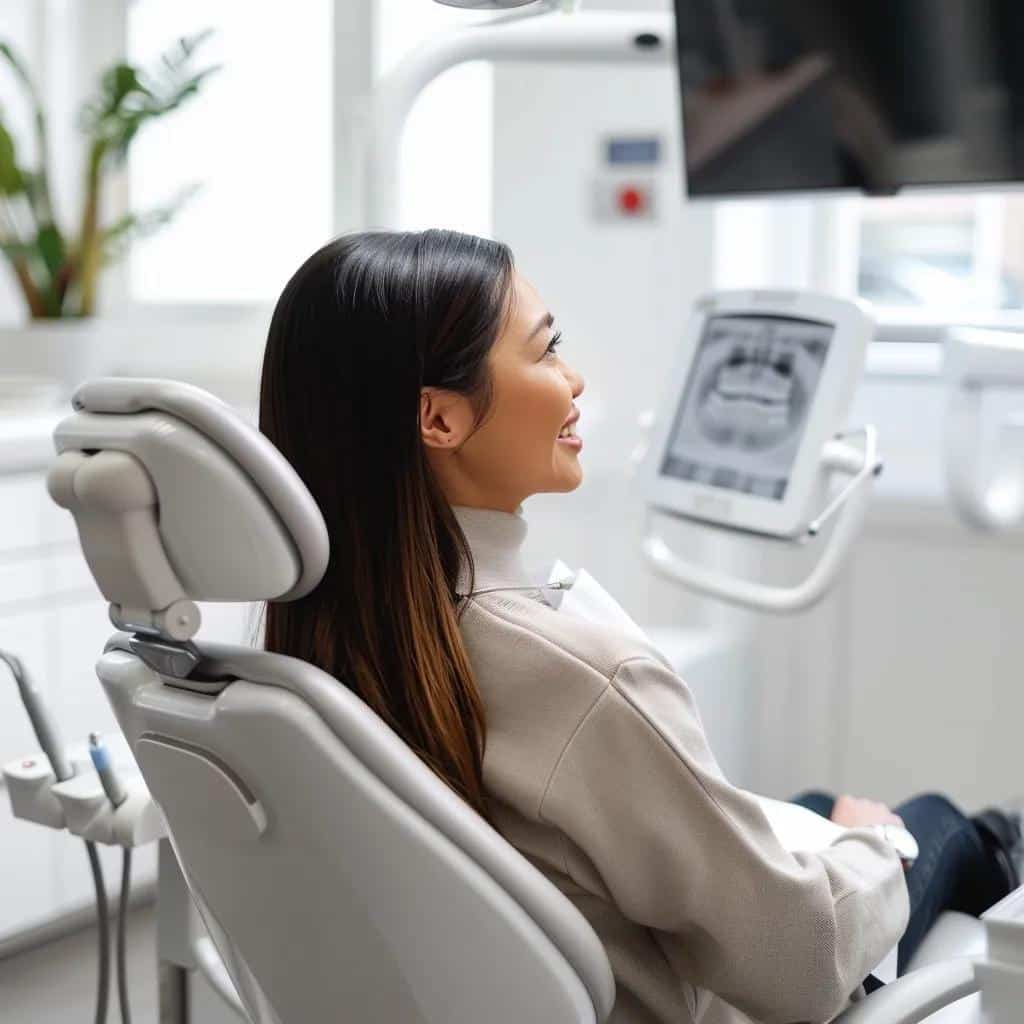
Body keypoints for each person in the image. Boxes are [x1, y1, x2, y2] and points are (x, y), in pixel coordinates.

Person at [258, 228, 1020, 1024]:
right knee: (940, 823)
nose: (573, 379)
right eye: (547, 350)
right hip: (750, 989)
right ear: (440, 419)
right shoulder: (578, 677)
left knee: (814, 802)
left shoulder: (313, 649)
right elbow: (803, 959)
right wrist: (878, 843)